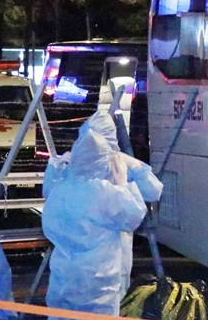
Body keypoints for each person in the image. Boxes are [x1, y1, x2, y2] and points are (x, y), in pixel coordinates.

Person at [41, 129, 147, 320]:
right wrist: (124, 183)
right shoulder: (106, 193)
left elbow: (49, 227)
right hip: (97, 286)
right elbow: (134, 215)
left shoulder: (61, 191)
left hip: (63, 281)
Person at [44, 109, 162, 293]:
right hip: (93, 255)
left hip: (109, 250)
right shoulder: (78, 168)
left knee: (115, 285)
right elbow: (53, 194)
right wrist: (58, 167)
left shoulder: (118, 164)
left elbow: (153, 191)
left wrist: (136, 168)